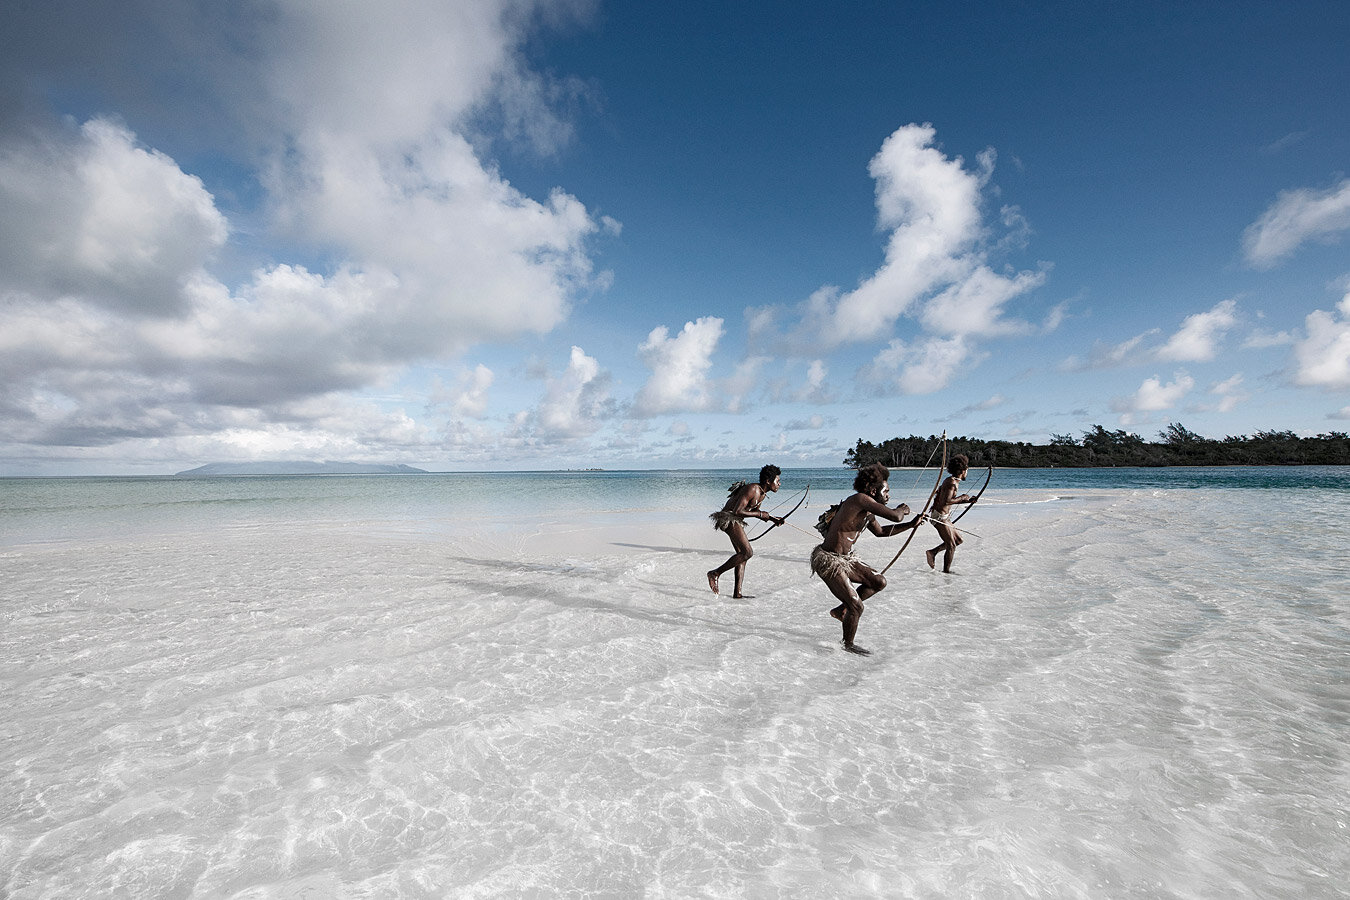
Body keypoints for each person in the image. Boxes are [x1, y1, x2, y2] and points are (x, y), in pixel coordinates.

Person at [810, 462, 923, 655]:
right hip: (828, 560)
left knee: (878, 582)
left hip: (846, 559)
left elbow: (880, 532)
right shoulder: (859, 500)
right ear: (872, 490)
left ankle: (840, 610)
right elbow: (896, 517)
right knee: (857, 606)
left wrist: (911, 525)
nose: (888, 495)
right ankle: (848, 645)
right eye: (886, 491)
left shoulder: (868, 509)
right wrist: (902, 510)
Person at [706, 465, 785, 598]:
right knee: (747, 552)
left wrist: (772, 519)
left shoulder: (762, 494)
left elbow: (749, 512)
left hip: (735, 520)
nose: (779, 484)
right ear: (768, 481)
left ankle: (737, 594)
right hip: (728, 518)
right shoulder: (752, 489)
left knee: (742, 556)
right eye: (777, 481)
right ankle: (715, 573)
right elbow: (737, 511)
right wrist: (760, 514)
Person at [926, 454, 978, 574]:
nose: (967, 473)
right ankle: (946, 573)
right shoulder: (951, 483)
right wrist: (962, 498)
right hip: (939, 517)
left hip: (944, 517)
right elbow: (947, 501)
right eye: (967, 470)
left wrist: (968, 500)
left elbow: (948, 500)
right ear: (962, 470)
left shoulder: (954, 481)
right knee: (951, 545)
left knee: (958, 540)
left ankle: (932, 552)